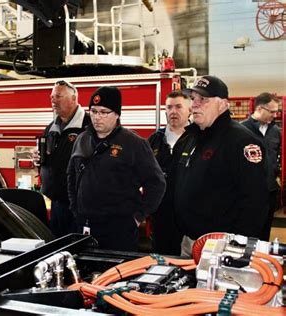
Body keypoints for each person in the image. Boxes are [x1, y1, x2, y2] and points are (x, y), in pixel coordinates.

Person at [170, 76, 269, 256]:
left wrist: (236, 248)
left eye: (203, 100)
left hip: (222, 248)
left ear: (223, 104)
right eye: (193, 99)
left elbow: (255, 203)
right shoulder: (190, 138)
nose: (195, 105)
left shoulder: (241, 142)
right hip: (188, 242)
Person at [67, 86, 166, 251]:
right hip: (84, 227)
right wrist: (75, 209)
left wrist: (138, 216)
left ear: (117, 114)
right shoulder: (81, 139)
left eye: (104, 112)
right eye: (94, 111)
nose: (97, 117)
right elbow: (71, 176)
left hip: (119, 230)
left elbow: (157, 183)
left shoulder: (134, 144)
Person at [33, 80, 91, 238]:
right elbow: (48, 159)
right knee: (57, 246)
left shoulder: (89, 125)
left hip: (81, 205)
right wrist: (39, 160)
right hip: (57, 202)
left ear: (73, 99)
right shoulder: (51, 128)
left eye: (58, 96)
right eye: (52, 96)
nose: (53, 100)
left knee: (78, 248)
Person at [148, 90, 191, 255]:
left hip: (188, 215)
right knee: (161, 256)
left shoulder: (198, 139)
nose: (173, 111)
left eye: (179, 107)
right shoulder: (154, 140)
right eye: (169, 107)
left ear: (190, 110)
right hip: (161, 213)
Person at [242, 92, 281, 241]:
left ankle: (262, 259)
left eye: (276, 112)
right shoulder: (242, 130)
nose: (275, 115)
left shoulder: (275, 131)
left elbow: (274, 156)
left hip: (270, 190)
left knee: (265, 230)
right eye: (272, 111)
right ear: (259, 109)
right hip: (249, 191)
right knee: (249, 231)